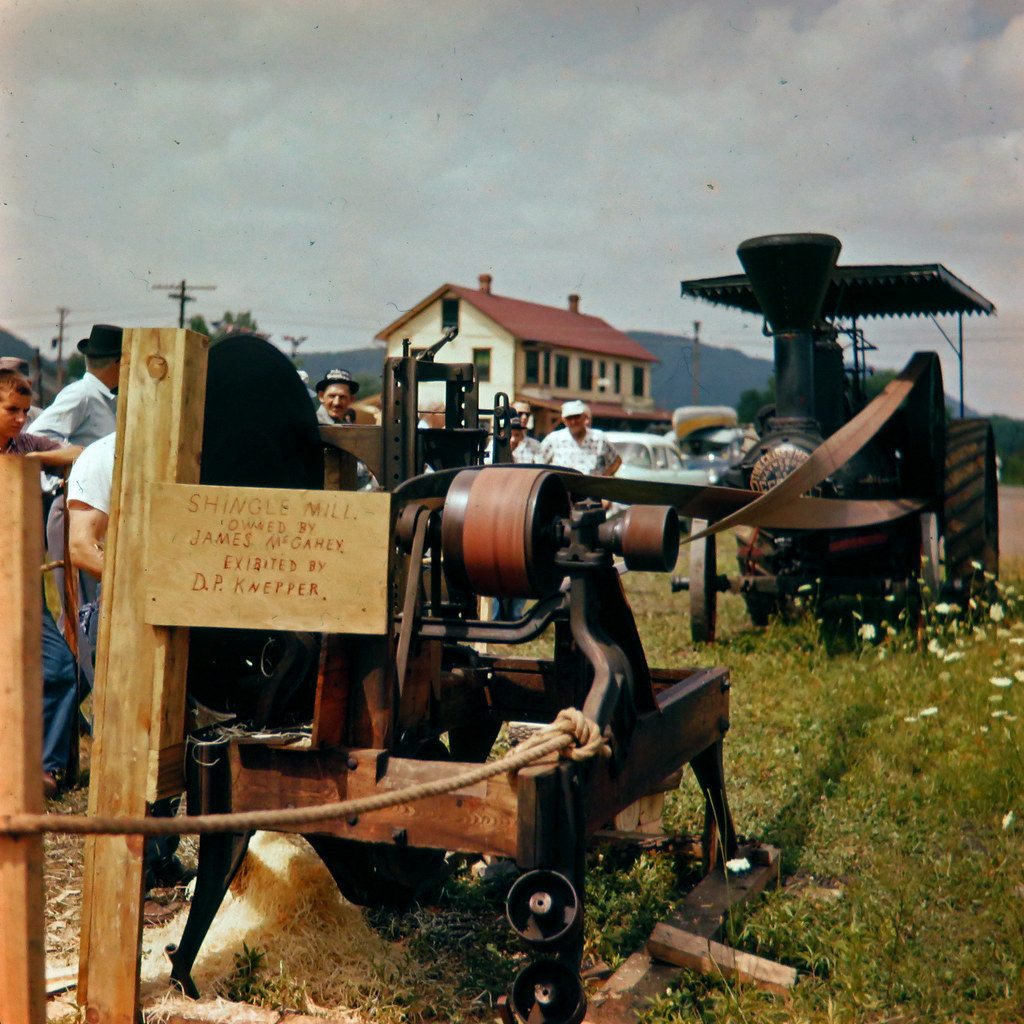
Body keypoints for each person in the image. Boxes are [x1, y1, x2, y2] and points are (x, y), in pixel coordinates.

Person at [66, 430, 193, 890]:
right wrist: (147, 583)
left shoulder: (188, 447)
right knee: (126, 741)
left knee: (173, 737)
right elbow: (82, 546)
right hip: (121, 615)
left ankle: (155, 858)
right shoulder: (103, 456)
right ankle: (119, 871)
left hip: (180, 609)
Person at [1, 367, 84, 798]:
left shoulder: (24, 444)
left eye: (24, 411)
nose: (20, 418)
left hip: (22, 582)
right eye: (11, 410)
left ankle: (46, 768)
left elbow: (77, 452)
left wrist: (32, 461)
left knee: (58, 668)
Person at [537, 399, 622, 477]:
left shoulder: (598, 438)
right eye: (569, 418)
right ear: (564, 420)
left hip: (591, 491)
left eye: (576, 417)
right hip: (563, 491)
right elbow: (538, 462)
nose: (573, 421)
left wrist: (604, 479)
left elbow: (616, 461)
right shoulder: (554, 439)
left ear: (584, 417)